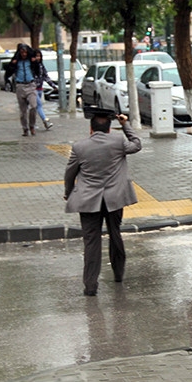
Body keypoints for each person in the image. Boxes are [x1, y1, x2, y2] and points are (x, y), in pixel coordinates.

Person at [63, 110, 142, 296]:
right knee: (115, 234)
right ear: (108, 129)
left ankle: (90, 286)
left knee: (91, 242)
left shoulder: (79, 147)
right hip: (115, 199)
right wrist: (125, 124)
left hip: (88, 201)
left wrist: (68, 193)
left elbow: (70, 173)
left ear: (91, 129)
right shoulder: (118, 142)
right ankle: (118, 274)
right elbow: (137, 144)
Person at [5, 44, 40, 136]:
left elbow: (38, 71)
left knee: (33, 106)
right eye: (22, 52)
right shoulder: (16, 61)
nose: (24, 54)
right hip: (20, 86)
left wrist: (35, 62)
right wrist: (12, 64)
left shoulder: (31, 61)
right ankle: (25, 128)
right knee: (23, 111)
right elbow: (8, 72)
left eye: (25, 52)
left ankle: (32, 125)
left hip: (30, 85)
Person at [34, 50, 56, 130]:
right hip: (32, 89)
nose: (38, 58)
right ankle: (45, 121)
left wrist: (53, 85)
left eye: (39, 56)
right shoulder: (31, 67)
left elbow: (45, 76)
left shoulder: (41, 66)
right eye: (36, 56)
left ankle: (33, 123)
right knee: (39, 105)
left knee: (35, 107)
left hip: (40, 89)